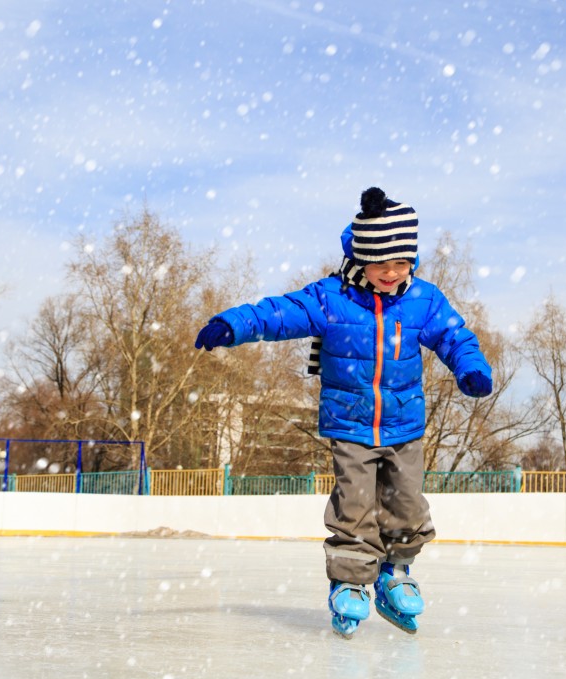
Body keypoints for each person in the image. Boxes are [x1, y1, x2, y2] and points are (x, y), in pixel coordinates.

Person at [194, 187, 493, 638]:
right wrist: (234, 324)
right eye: (382, 264)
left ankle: (395, 571)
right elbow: (281, 312)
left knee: (408, 504)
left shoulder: (424, 300)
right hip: (350, 425)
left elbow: (455, 336)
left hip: (405, 425)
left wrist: (470, 367)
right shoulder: (332, 298)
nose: (392, 273)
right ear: (362, 258)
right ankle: (350, 583)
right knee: (354, 506)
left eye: (401, 263)